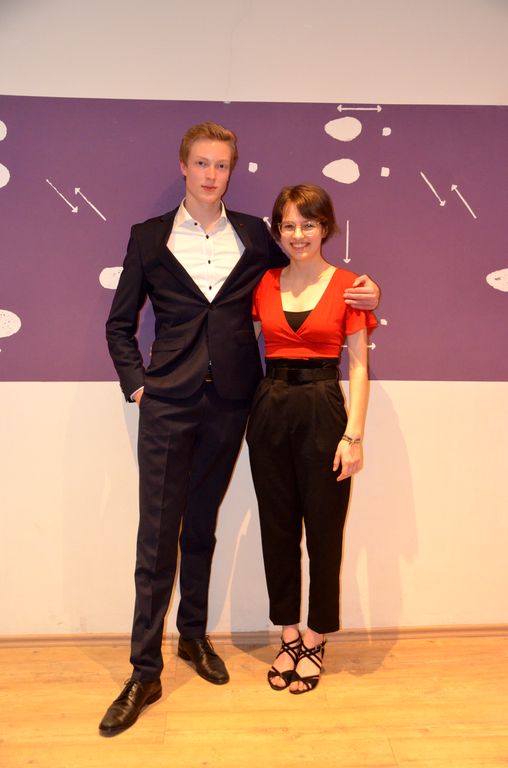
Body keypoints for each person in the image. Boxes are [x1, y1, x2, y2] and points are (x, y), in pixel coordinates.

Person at [100, 123, 380, 735]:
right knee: (157, 537)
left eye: (221, 165)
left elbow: (311, 273)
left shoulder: (256, 235)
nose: (211, 175)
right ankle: (144, 670)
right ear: (183, 166)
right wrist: (139, 385)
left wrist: (369, 289)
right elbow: (119, 324)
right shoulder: (148, 237)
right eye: (201, 163)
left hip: (233, 405)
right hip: (167, 405)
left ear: (231, 170)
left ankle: (192, 636)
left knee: (202, 526)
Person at [246, 184, 377, 694]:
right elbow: (240, 346)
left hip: (324, 409)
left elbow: (359, 367)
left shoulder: (349, 287)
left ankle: (317, 635)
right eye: (288, 225)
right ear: (278, 231)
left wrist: (354, 435)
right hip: (270, 409)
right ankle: (287, 633)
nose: (298, 234)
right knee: (277, 530)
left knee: (324, 532)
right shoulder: (263, 283)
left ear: (325, 227)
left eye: (308, 224)